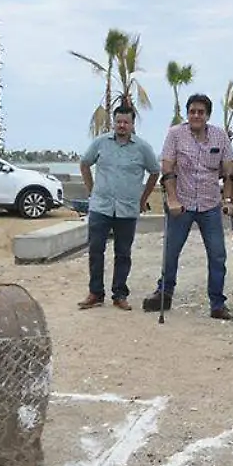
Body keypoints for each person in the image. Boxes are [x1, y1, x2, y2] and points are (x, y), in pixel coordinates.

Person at [142, 93, 233, 320]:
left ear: (207, 115)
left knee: (217, 255)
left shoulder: (220, 136)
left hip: (210, 204)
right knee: (171, 251)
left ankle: (217, 303)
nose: (196, 115)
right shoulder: (175, 134)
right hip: (181, 202)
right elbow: (168, 168)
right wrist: (172, 199)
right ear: (188, 113)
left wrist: (228, 201)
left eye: (201, 112)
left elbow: (230, 172)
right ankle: (164, 292)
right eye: (192, 111)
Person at [77, 105, 161, 311]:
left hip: (127, 209)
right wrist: (92, 190)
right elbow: (85, 163)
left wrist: (143, 199)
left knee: (123, 253)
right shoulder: (100, 143)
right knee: (96, 250)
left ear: (133, 125)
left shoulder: (143, 148)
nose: (122, 125)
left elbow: (154, 172)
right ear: (113, 122)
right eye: (118, 121)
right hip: (101, 207)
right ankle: (95, 293)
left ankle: (119, 294)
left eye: (126, 122)